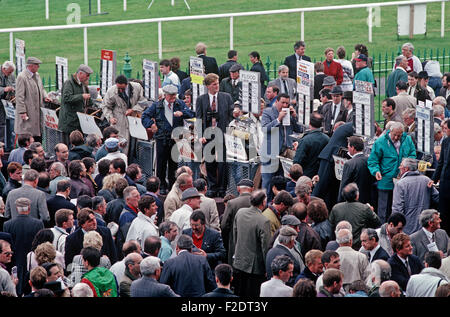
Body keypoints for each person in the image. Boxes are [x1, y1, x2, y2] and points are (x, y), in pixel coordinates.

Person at [142, 84, 194, 194]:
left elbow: (191, 113)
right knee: (161, 164)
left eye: (174, 95)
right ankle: (161, 186)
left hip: (175, 139)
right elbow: (145, 116)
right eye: (171, 96)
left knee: (173, 164)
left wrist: (182, 113)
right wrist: (151, 124)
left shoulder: (179, 104)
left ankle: (172, 186)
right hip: (162, 138)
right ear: (165, 95)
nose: (173, 98)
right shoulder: (157, 106)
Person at [195, 73, 236, 198]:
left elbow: (231, 114)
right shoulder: (201, 99)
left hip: (222, 134)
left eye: (218, 83)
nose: (217, 86)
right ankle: (212, 187)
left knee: (222, 163)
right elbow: (199, 118)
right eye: (214, 84)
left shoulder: (226, 97)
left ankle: (222, 188)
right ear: (208, 86)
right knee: (210, 162)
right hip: (208, 135)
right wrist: (200, 135)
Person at [368, 121, 416, 224]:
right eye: (394, 135)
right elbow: (373, 160)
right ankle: (383, 229)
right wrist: (376, 171)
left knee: (400, 207)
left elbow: (412, 153)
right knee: (384, 209)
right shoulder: (380, 142)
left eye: (399, 135)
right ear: (390, 131)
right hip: (386, 180)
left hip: (403, 179)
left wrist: (407, 163)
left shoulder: (407, 139)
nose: (396, 138)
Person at [260, 93, 302, 202]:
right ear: (276, 101)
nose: (285, 105)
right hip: (270, 153)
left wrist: (294, 117)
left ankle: (278, 204)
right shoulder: (268, 112)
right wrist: (278, 120)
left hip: (284, 153)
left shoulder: (289, 113)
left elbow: (299, 130)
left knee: (282, 182)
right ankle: (265, 205)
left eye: (287, 103)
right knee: (268, 182)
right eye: (282, 102)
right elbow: (265, 129)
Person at [232, 190, 271, 297]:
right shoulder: (264, 221)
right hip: (255, 269)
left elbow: (235, 235)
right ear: (263, 203)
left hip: (239, 262)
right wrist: (267, 268)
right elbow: (265, 247)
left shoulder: (240, 212)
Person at [3, 197, 44, 296]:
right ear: (29, 208)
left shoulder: (8, 224)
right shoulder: (38, 223)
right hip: (34, 261)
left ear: (17, 209)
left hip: (15, 261)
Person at [392, 158, 439, 235]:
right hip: (425, 226)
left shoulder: (400, 184)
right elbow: (437, 198)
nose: (399, 167)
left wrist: (397, 228)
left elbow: (397, 209)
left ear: (406, 168)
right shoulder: (426, 180)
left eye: (401, 165)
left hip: (407, 228)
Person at [329, 183, 380, 250]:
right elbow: (377, 222)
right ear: (357, 195)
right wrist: (371, 211)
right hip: (358, 246)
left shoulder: (336, 208)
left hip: (340, 244)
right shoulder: (365, 208)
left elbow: (331, 226)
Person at [14, 57, 51, 142]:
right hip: (28, 112)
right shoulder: (22, 77)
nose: (38, 67)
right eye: (37, 65)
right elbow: (19, 96)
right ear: (31, 66)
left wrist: (45, 96)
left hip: (37, 112)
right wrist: (22, 111)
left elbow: (41, 88)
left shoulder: (37, 76)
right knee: (28, 135)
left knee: (37, 135)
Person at [220, 178, 253, 263]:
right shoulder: (258, 203)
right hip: (252, 241)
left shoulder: (232, 203)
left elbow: (224, 225)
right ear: (252, 189)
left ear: (238, 189)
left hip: (235, 242)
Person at [58, 64, 93, 141]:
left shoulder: (83, 84)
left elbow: (88, 102)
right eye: (87, 75)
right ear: (80, 73)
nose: (88, 78)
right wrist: (81, 96)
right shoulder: (69, 83)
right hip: (69, 122)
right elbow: (66, 98)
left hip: (78, 121)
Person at [338, 136, 375, 204]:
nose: (347, 148)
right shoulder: (369, 161)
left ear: (353, 148)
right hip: (368, 200)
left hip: (353, 201)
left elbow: (344, 184)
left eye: (348, 146)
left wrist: (339, 201)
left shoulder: (349, 164)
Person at [293, 111, 329, 178]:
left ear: (309, 123)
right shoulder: (327, 139)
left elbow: (297, 161)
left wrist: (297, 148)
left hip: (306, 176)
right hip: (320, 175)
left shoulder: (305, 140)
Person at [432, 120, 450, 234]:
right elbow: (441, 162)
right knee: (443, 212)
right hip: (445, 183)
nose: (444, 131)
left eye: (446, 129)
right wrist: (433, 179)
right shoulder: (446, 142)